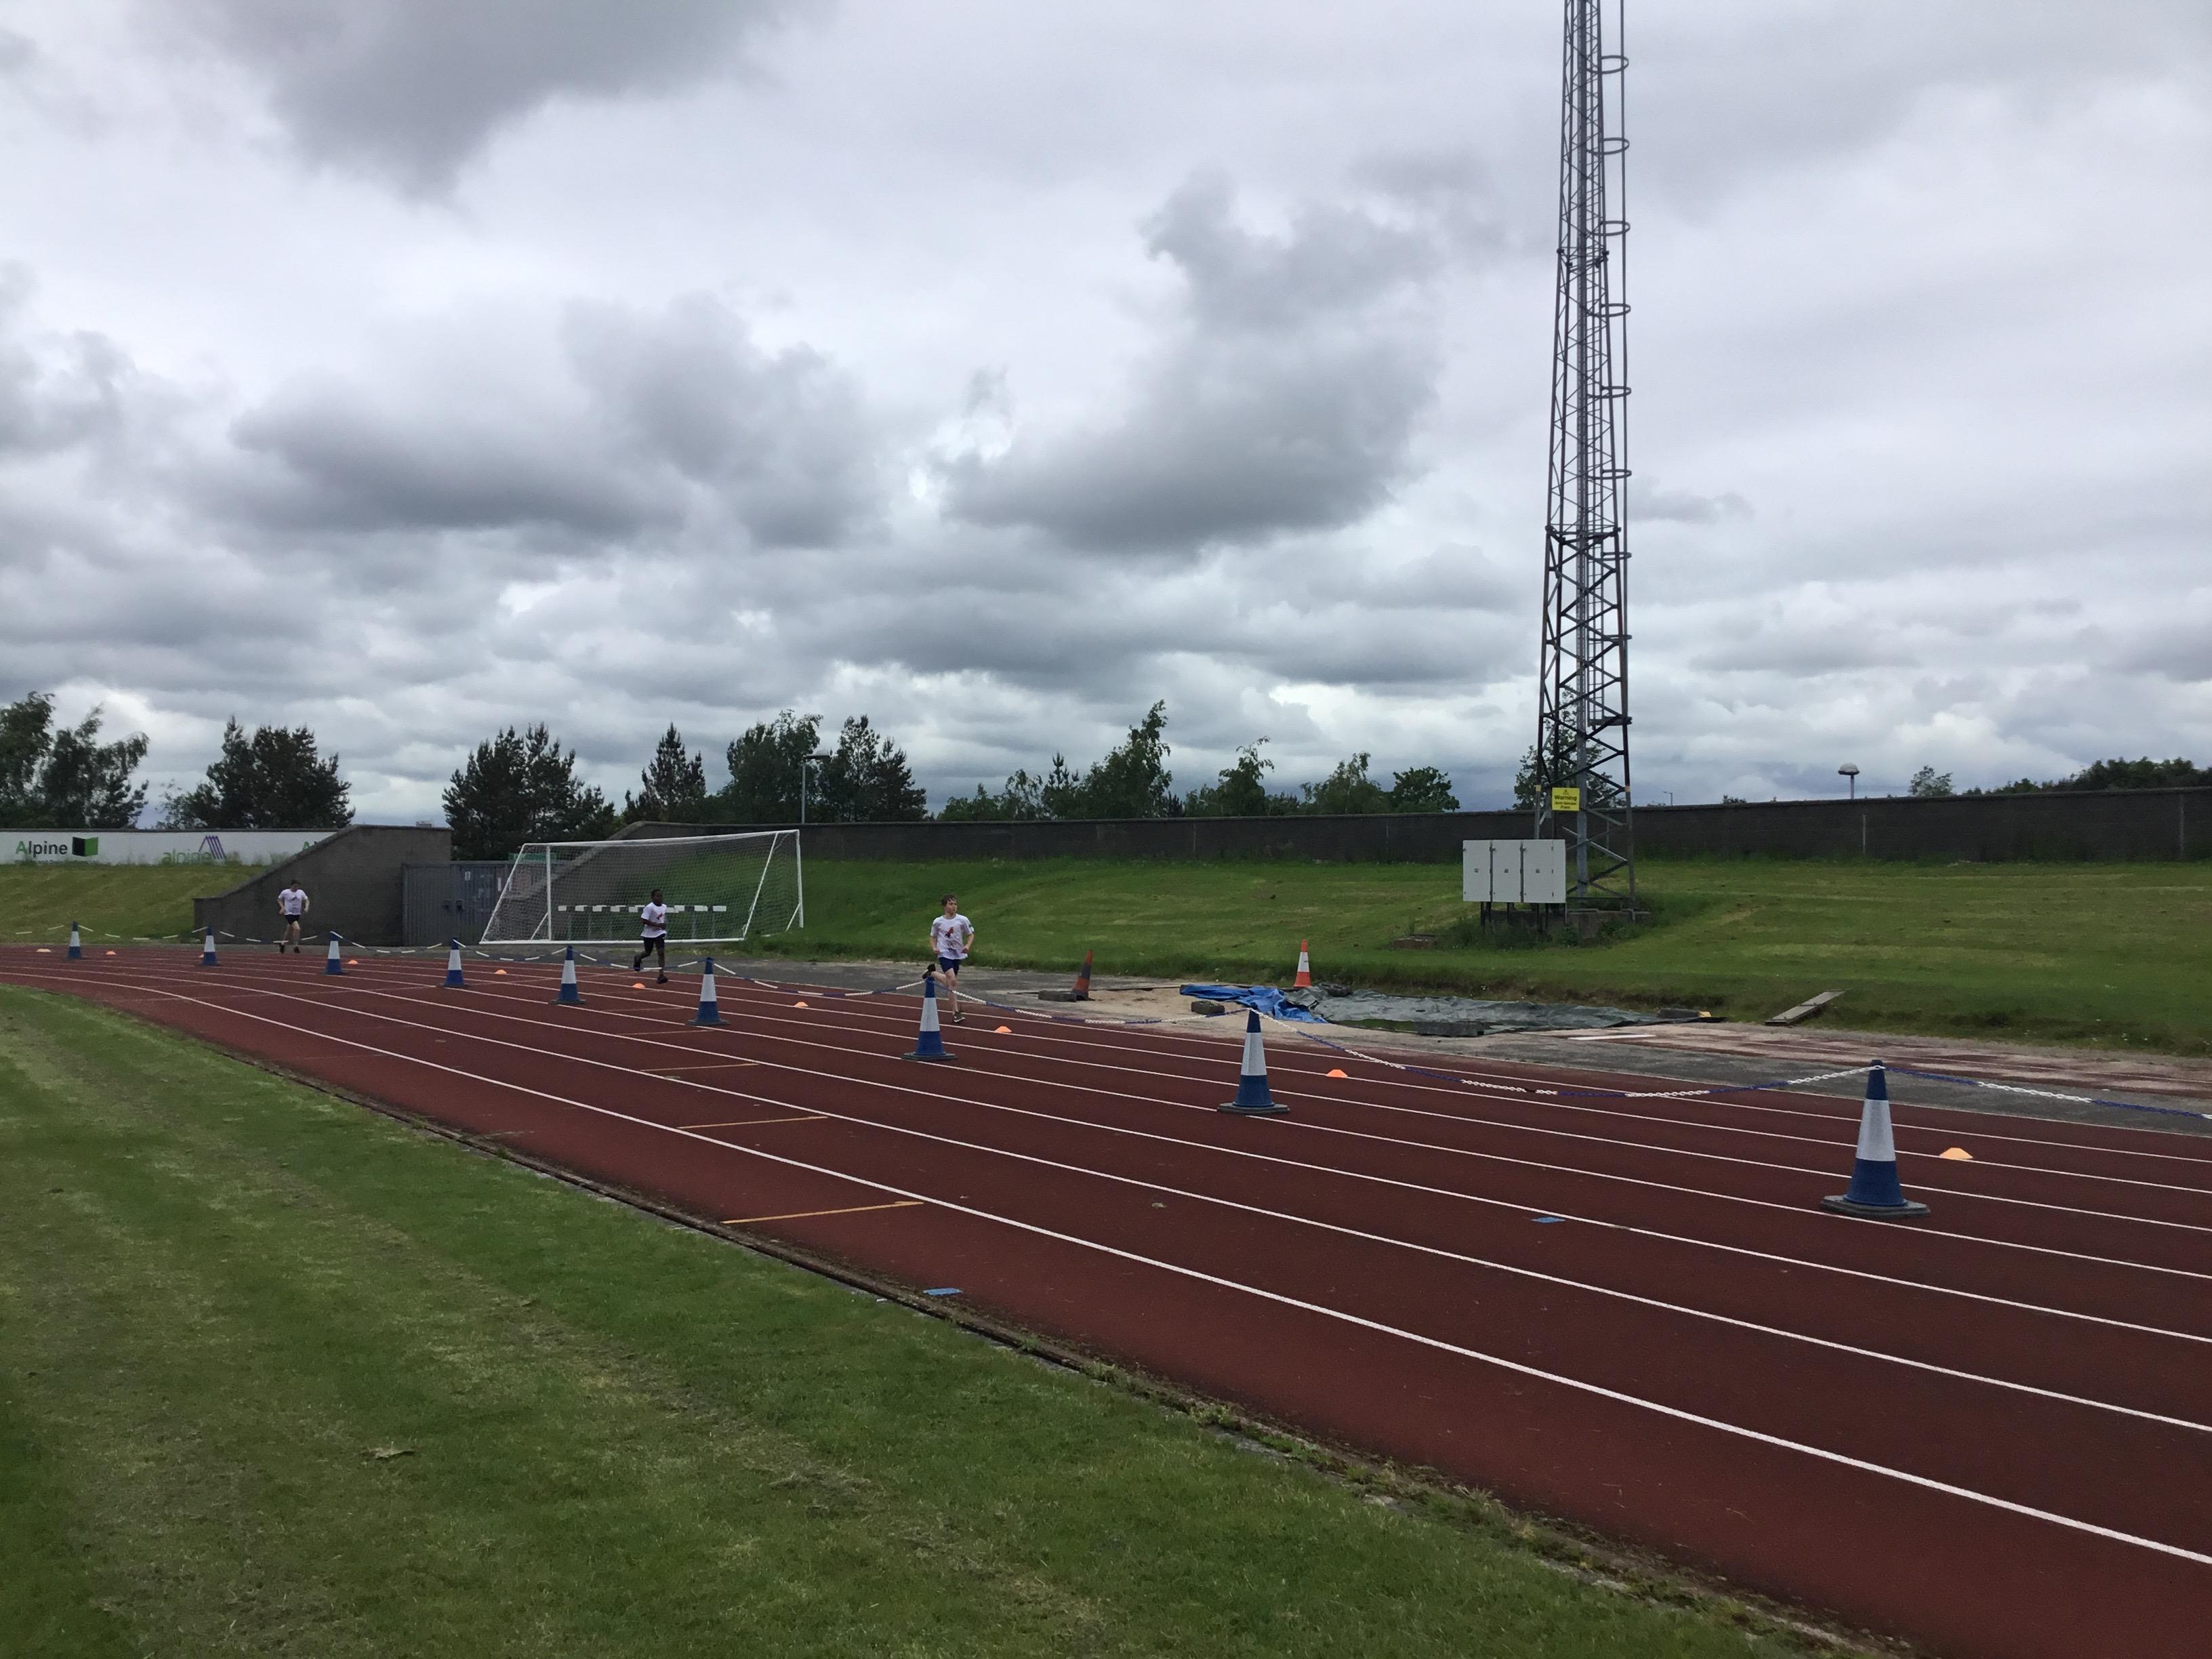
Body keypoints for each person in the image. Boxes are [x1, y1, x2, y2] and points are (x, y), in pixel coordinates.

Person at [928, 893, 975, 1023]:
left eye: (955, 904)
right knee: (952, 980)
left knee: (950, 982)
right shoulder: (938, 922)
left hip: (957, 954)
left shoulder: (963, 920)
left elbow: (971, 934)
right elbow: (932, 936)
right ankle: (955, 1013)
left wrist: (967, 946)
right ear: (944, 906)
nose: (954, 906)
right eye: (951, 904)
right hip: (944, 953)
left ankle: (932, 973)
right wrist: (934, 947)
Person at [633, 888, 670, 983]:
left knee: (661, 952)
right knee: (648, 952)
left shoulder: (664, 907)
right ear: (653, 897)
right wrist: (657, 925)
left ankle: (661, 975)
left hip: (660, 933)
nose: (660, 898)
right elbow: (643, 920)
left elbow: (660, 918)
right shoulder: (649, 908)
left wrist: (662, 925)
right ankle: (638, 958)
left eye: (661, 896)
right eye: (657, 896)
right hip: (649, 933)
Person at [276, 880, 310, 953]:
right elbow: (279, 899)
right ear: (291, 886)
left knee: (289, 929)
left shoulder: (301, 892)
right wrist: (282, 907)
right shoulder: (285, 892)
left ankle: (282, 944)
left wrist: (306, 907)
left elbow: (307, 900)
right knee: (297, 929)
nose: (296, 888)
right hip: (289, 913)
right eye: (295, 886)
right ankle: (296, 946)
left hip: (297, 913)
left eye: (297, 886)